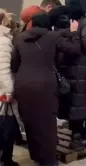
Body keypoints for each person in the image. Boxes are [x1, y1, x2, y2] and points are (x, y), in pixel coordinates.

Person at [11, 12, 81, 166]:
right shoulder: (53, 37)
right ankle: (49, 161)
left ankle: (36, 157)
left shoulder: (20, 38)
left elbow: (14, 65)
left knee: (30, 123)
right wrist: (74, 32)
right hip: (45, 87)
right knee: (47, 124)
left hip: (23, 86)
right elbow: (74, 50)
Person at [61, 0, 86, 148]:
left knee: (72, 101)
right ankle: (79, 135)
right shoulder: (84, 21)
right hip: (82, 68)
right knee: (84, 100)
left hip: (66, 67)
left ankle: (77, 133)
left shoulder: (62, 19)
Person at [0, 9, 20, 166]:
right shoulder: (3, 41)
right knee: (8, 124)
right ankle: (6, 159)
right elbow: (3, 70)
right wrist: (9, 91)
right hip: (2, 92)